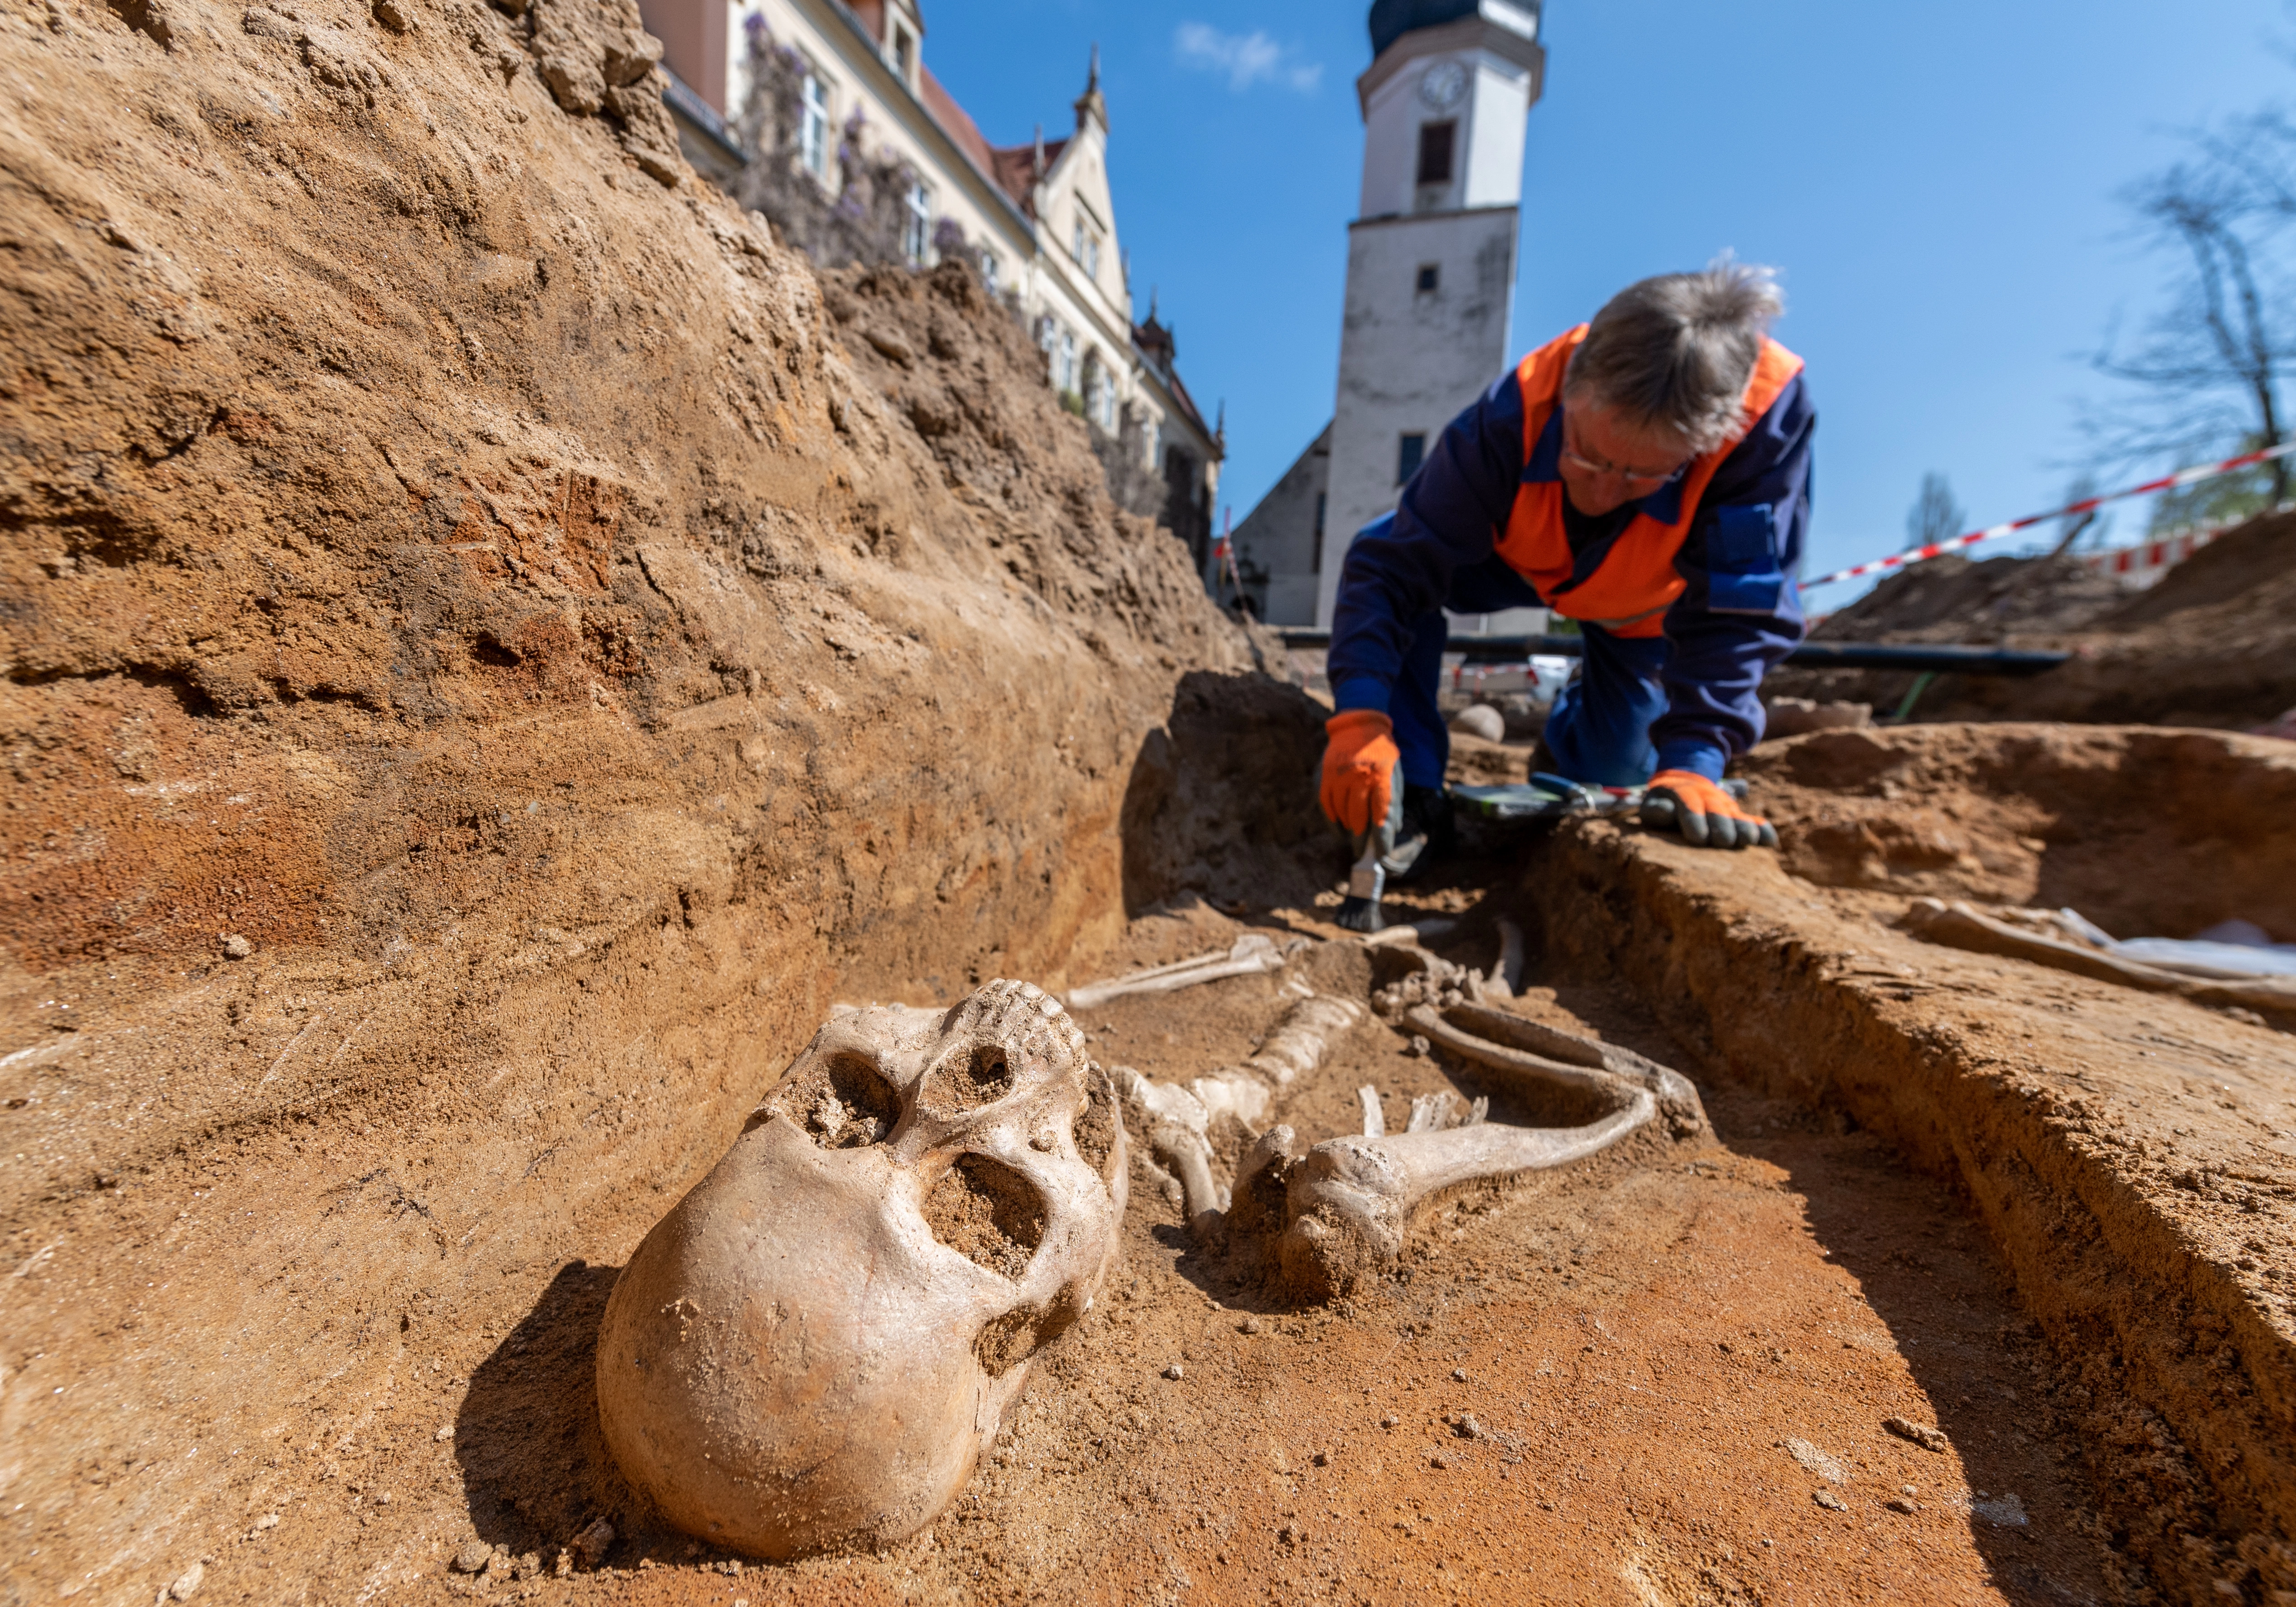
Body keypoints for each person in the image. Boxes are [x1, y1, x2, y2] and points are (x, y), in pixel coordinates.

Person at [1319, 259, 1813, 856]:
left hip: (1641, 609)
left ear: (1707, 443)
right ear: (1570, 394)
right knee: (1389, 555)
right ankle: (1416, 793)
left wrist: (1696, 759)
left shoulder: (1763, 426)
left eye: (1640, 476)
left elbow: (1741, 605)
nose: (1603, 493)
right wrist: (1363, 717)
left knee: (1619, 769)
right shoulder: (1515, 412)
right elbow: (1392, 570)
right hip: (1510, 562)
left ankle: (1568, 737)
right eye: (1587, 455)